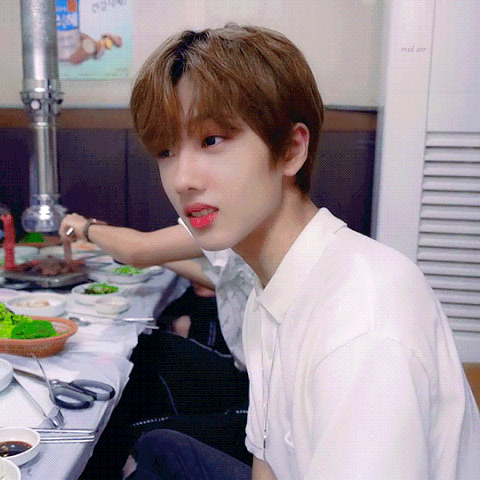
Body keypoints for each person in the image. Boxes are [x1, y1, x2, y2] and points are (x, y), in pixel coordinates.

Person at [121, 23, 480, 480]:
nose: (181, 179)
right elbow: (268, 463)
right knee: (158, 448)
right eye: (166, 150)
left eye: (211, 140)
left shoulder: (363, 328)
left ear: (291, 150)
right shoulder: (268, 291)